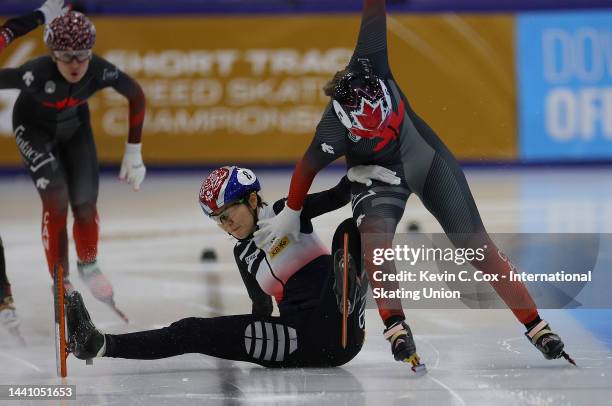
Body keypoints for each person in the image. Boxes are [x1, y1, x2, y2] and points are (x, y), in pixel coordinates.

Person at [253, 0, 571, 368]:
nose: (381, 128)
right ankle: (396, 326)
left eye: (385, 119)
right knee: (376, 243)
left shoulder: (372, 57)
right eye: (371, 130)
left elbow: (374, 10)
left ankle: (535, 324)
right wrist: (292, 210)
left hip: (425, 158)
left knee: (475, 244)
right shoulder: (332, 129)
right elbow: (306, 168)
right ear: (348, 123)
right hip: (376, 178)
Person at [66, 165, 398, 367]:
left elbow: (338, 195)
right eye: (218, 220)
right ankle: (101, 344)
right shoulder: (243, 256)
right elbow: (261, 308)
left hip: (339, 327)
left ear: (252, 200)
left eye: (228, 214)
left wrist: (358, 174)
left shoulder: (287, 213)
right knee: (191, 330)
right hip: (299, 341)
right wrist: (240, 337)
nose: (225, 225)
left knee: (349, 230)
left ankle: (347, 291)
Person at [0, 5, 146, 313]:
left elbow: (136, 94)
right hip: (33, 128)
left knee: (85, 202)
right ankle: (61, 277)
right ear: (52, 54)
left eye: (82, 54)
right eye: (66, 56)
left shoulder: (97, 69)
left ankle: (88, 265)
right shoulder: (35, 73)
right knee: (57, 198)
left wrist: (134, 150)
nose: (75, 63)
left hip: (74, 128)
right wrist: (11, 31)